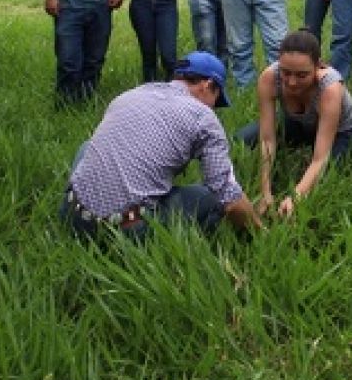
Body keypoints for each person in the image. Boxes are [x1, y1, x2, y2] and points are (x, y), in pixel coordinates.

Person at [61, 52, 261, 240]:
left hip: (71, 215)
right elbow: (230, 199)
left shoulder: (133, 94)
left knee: (88, 146)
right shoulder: (203, 116)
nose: (212, 108)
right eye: (216, 100)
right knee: (211, 197)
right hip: (123, 230)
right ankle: (188, 240)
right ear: (207, 86)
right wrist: (261, 233)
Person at [234, 30, 352, 218]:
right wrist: (265, 191)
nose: (292, 82)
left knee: (327, 175)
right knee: (240, 140)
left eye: (302, 75)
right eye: (286, 73)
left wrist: (296, 196)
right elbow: (267, 139)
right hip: (294, 122)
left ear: (318, 66)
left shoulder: (330, 87)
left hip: (339, 132)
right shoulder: (269, 78)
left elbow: (320, 157)